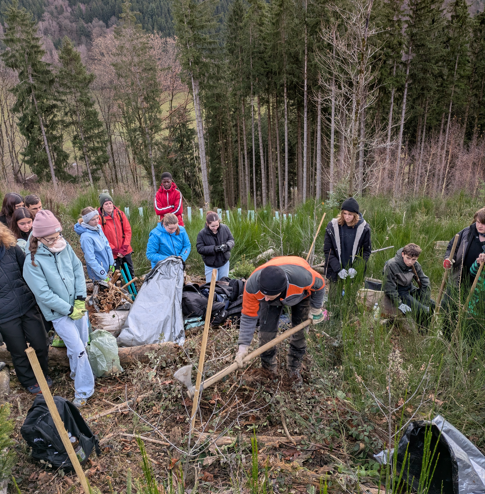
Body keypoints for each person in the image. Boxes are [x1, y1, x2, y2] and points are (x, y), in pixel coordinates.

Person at [23, 210, 94, 407]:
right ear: (40, 237)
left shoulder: (64, 246)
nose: (56, 240)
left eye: (58, 235)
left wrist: (80, 299)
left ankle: (77, 373)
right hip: (59, 314)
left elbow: (77, 269)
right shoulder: (32, 261)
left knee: (82, 343)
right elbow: (44, 294)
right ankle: (84, 391)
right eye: (51, 238)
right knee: (78, 350)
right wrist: (69, 309)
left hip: (77, 306)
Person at [235, 256, 326, 385]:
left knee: (300, 335)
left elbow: (320, 284)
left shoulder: (302, 278)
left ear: (281, 290)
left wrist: (316, 309)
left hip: (300, 294)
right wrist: (243, 347)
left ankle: (294, 369)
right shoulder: (253, 285)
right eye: (264, 294)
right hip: (275, 290)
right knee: (266, 334)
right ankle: (268, 372)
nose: (265, 299)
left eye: (269, 296)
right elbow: (248, 316)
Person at [0, 223, 50, 395]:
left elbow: (28, 271)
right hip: (5, 315)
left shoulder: (11, 248)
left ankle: (42, 374)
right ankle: (28, 380)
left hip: (27, 304)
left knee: (40, 343)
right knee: (18, 350)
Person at [323, 197, 372, 283]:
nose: (347, 217)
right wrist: (338, 269)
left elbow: (365, 251)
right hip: (335, 272)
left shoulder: (364, 229)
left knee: (351, 291)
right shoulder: (332, 227)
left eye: (350, 214)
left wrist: (356, 267)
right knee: (335, 291)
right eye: (344, 213)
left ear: (355, 215)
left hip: (354, 273)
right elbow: (328, 251)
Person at [383, 244, 433, 325]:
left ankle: (428, 327)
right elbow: (389, 288)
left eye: (414, 259)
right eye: (408, 258)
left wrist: (425, 301)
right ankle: (422, 330)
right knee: (422, 311)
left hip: (410, 289)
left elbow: (425, 281)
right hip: (399, 291)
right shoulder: (391, 264)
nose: (410, 262)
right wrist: (399, 304)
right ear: (403, 254)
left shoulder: (415, 264)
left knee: (433, 305)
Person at [98, 193, 135, 278]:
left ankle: (133, 287)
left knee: (130, 275)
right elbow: (102, 237)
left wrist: (124, 248)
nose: (109, 206)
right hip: (112, 254)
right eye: (106, 204)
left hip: (125, 251)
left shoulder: (120, 214)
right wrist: (115, 250)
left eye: (110, 203)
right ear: (102, 206)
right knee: (116, 277)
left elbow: (128, 231)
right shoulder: (99, 219)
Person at [74, 207, 114, 282]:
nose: (96, 221)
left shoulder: (98, 228)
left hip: (108, 270)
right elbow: (90, 259)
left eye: (97, 218)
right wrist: (104, 275)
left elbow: (107, 246)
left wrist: (112, 264)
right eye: (93, 220)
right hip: (98, 275)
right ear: (87, 221)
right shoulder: (86, 237)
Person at [196, 211, 235, 282]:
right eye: (212, 226)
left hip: (224, 262)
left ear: (219, 222)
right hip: (210, 265)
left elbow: (231, 240)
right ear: (207, 224)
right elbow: (200, 248)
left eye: (217, 225)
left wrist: (227, 246)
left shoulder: (225, 228)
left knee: (223, 285)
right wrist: (214, 249)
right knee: (211, 286)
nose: (215, 228)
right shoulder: (202, 234)